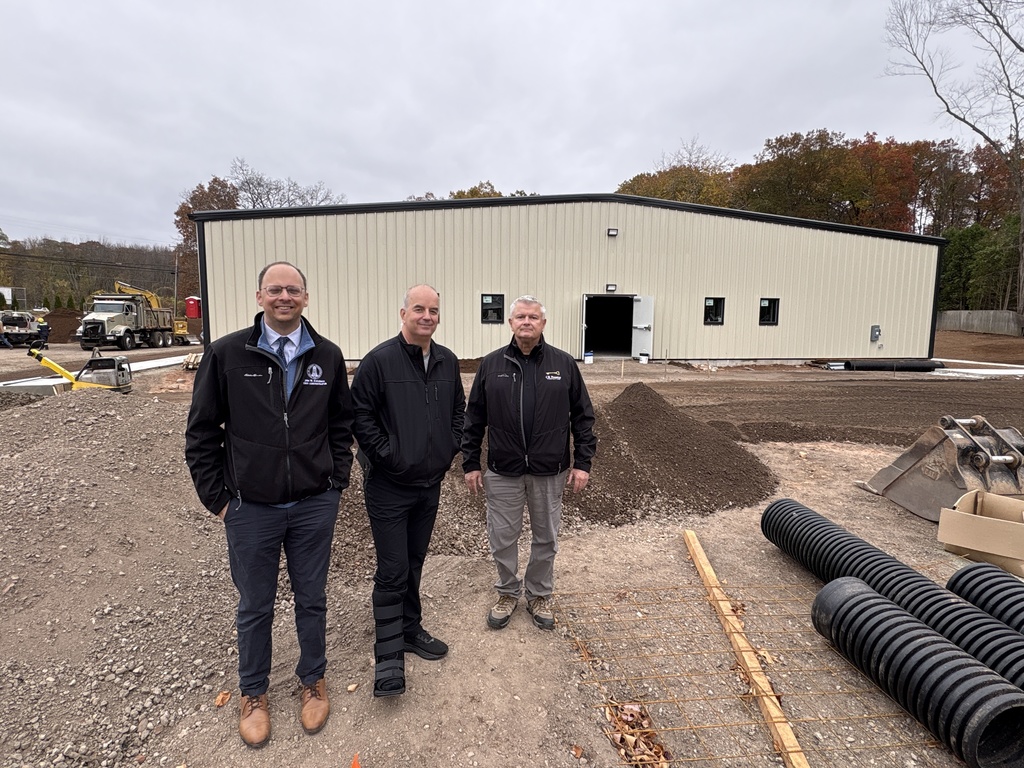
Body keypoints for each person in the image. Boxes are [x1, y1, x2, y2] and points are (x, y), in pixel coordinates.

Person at [184, 261, 354, 748]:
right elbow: (200, 434)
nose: (285, 296)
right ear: (259, 296)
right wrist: (220, 501)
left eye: (293, 289)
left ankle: (312, 681)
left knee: (311, 599)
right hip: (250, 509)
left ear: (306, 296)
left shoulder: (327, 355)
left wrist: (334, 482)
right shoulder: (227, 354)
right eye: (275, 289)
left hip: (312, 505)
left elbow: (342, 426)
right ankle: (253, 693)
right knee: (255, 605)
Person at [350, 284, 465, 697]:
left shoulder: (448, 362)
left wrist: (448, 450)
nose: (427, 316)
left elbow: (458, 414)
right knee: (393, 568)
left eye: (433, 310)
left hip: (428, 485)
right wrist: (390, 457)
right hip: (389, 487)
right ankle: (388, 659)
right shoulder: (378, 362)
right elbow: (359, 417)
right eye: (419, 309)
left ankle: (410, 629)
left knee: (415, 562)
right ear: (403, 313)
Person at [462, 295, 596, 631]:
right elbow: (474, 418)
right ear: (510, 323)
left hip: (549, 471)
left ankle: (538, 594)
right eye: (520, 316)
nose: (527, 322)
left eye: (533, 317)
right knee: (502, 537)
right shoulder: (491, 366)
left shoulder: (563, 365)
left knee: (546, 537)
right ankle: (507, 591)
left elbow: (583, 417)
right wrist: (470, 463)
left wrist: (582, 463)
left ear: (543, 324)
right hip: (502, 470)